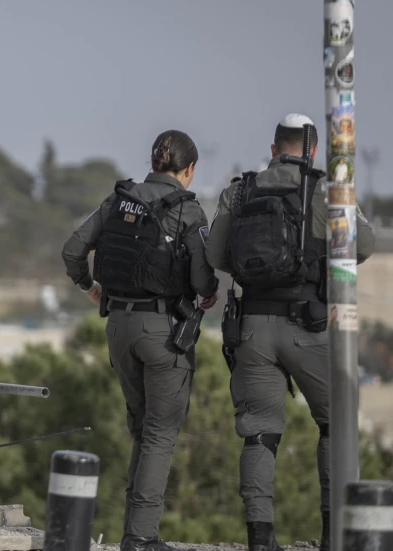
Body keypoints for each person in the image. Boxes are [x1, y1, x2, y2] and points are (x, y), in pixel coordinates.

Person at [204, 114, 375, 551]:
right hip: (309, 328)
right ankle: (333, 533)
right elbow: (365, 244)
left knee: (259, 433)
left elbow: (216, 253)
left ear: (274, 146)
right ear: (313, 149)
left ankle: (260, 537)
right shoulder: (325, 188)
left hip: (252, 330)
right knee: (335, 424)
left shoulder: (240, 189)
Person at [62, 130, 219, 551]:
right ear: (188, 170)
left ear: (153, 162)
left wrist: (89, 287)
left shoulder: (118, 199)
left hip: (118, 327)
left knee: (141, 427)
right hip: (162, 330)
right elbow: (204, 279)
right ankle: (141, 537)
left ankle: (134, 531)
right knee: (160, 433)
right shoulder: (187, 210)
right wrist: (207, 292)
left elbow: (72, 251)